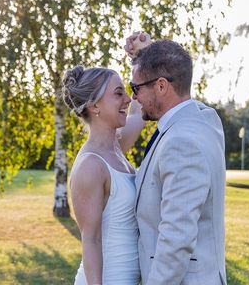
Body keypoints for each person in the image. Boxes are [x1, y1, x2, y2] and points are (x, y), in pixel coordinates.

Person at [125, 33, 227, 285]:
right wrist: (148, 55)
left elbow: (176, 240)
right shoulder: (205, 120)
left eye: (135, 88)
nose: (134, 98)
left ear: (161, 86)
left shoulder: (182, 142)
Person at [62, 65, 146, 285]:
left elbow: (138, 112)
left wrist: (140, 58)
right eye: (119, 93)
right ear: (94, 105)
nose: (128, 99)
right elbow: (91, 239)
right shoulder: (91, 165)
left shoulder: (117, 146)